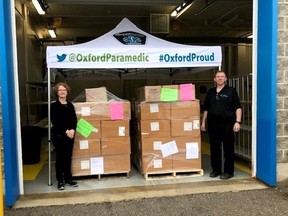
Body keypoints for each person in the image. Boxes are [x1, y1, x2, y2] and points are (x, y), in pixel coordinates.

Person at [201, 71, 242, 180]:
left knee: (228, 148)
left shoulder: (231, 91)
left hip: (228, 124)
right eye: (218, 77)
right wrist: (203, 122)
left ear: (225, 79)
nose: (220, 78)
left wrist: (238, 122)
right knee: (214, 148)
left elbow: (238, 107)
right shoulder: (211, 92)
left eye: (222, 77)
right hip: (213, 124)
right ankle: (216, 170)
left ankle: (229, 171)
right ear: (214, 79)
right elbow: (206, 109)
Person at [51, 82, 78, 190]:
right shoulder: (54, 106)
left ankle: (68, 178)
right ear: (57, 93)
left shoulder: (70, 105)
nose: (62, 92)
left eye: (64, 90)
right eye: (60, 90)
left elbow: (74, 120)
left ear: (67, 92)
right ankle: (60, 180)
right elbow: (55, 121)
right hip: (59, 136)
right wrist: (66, 131)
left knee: (68, 157)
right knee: (60, 158)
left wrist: (73, 130)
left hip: (70, 136)